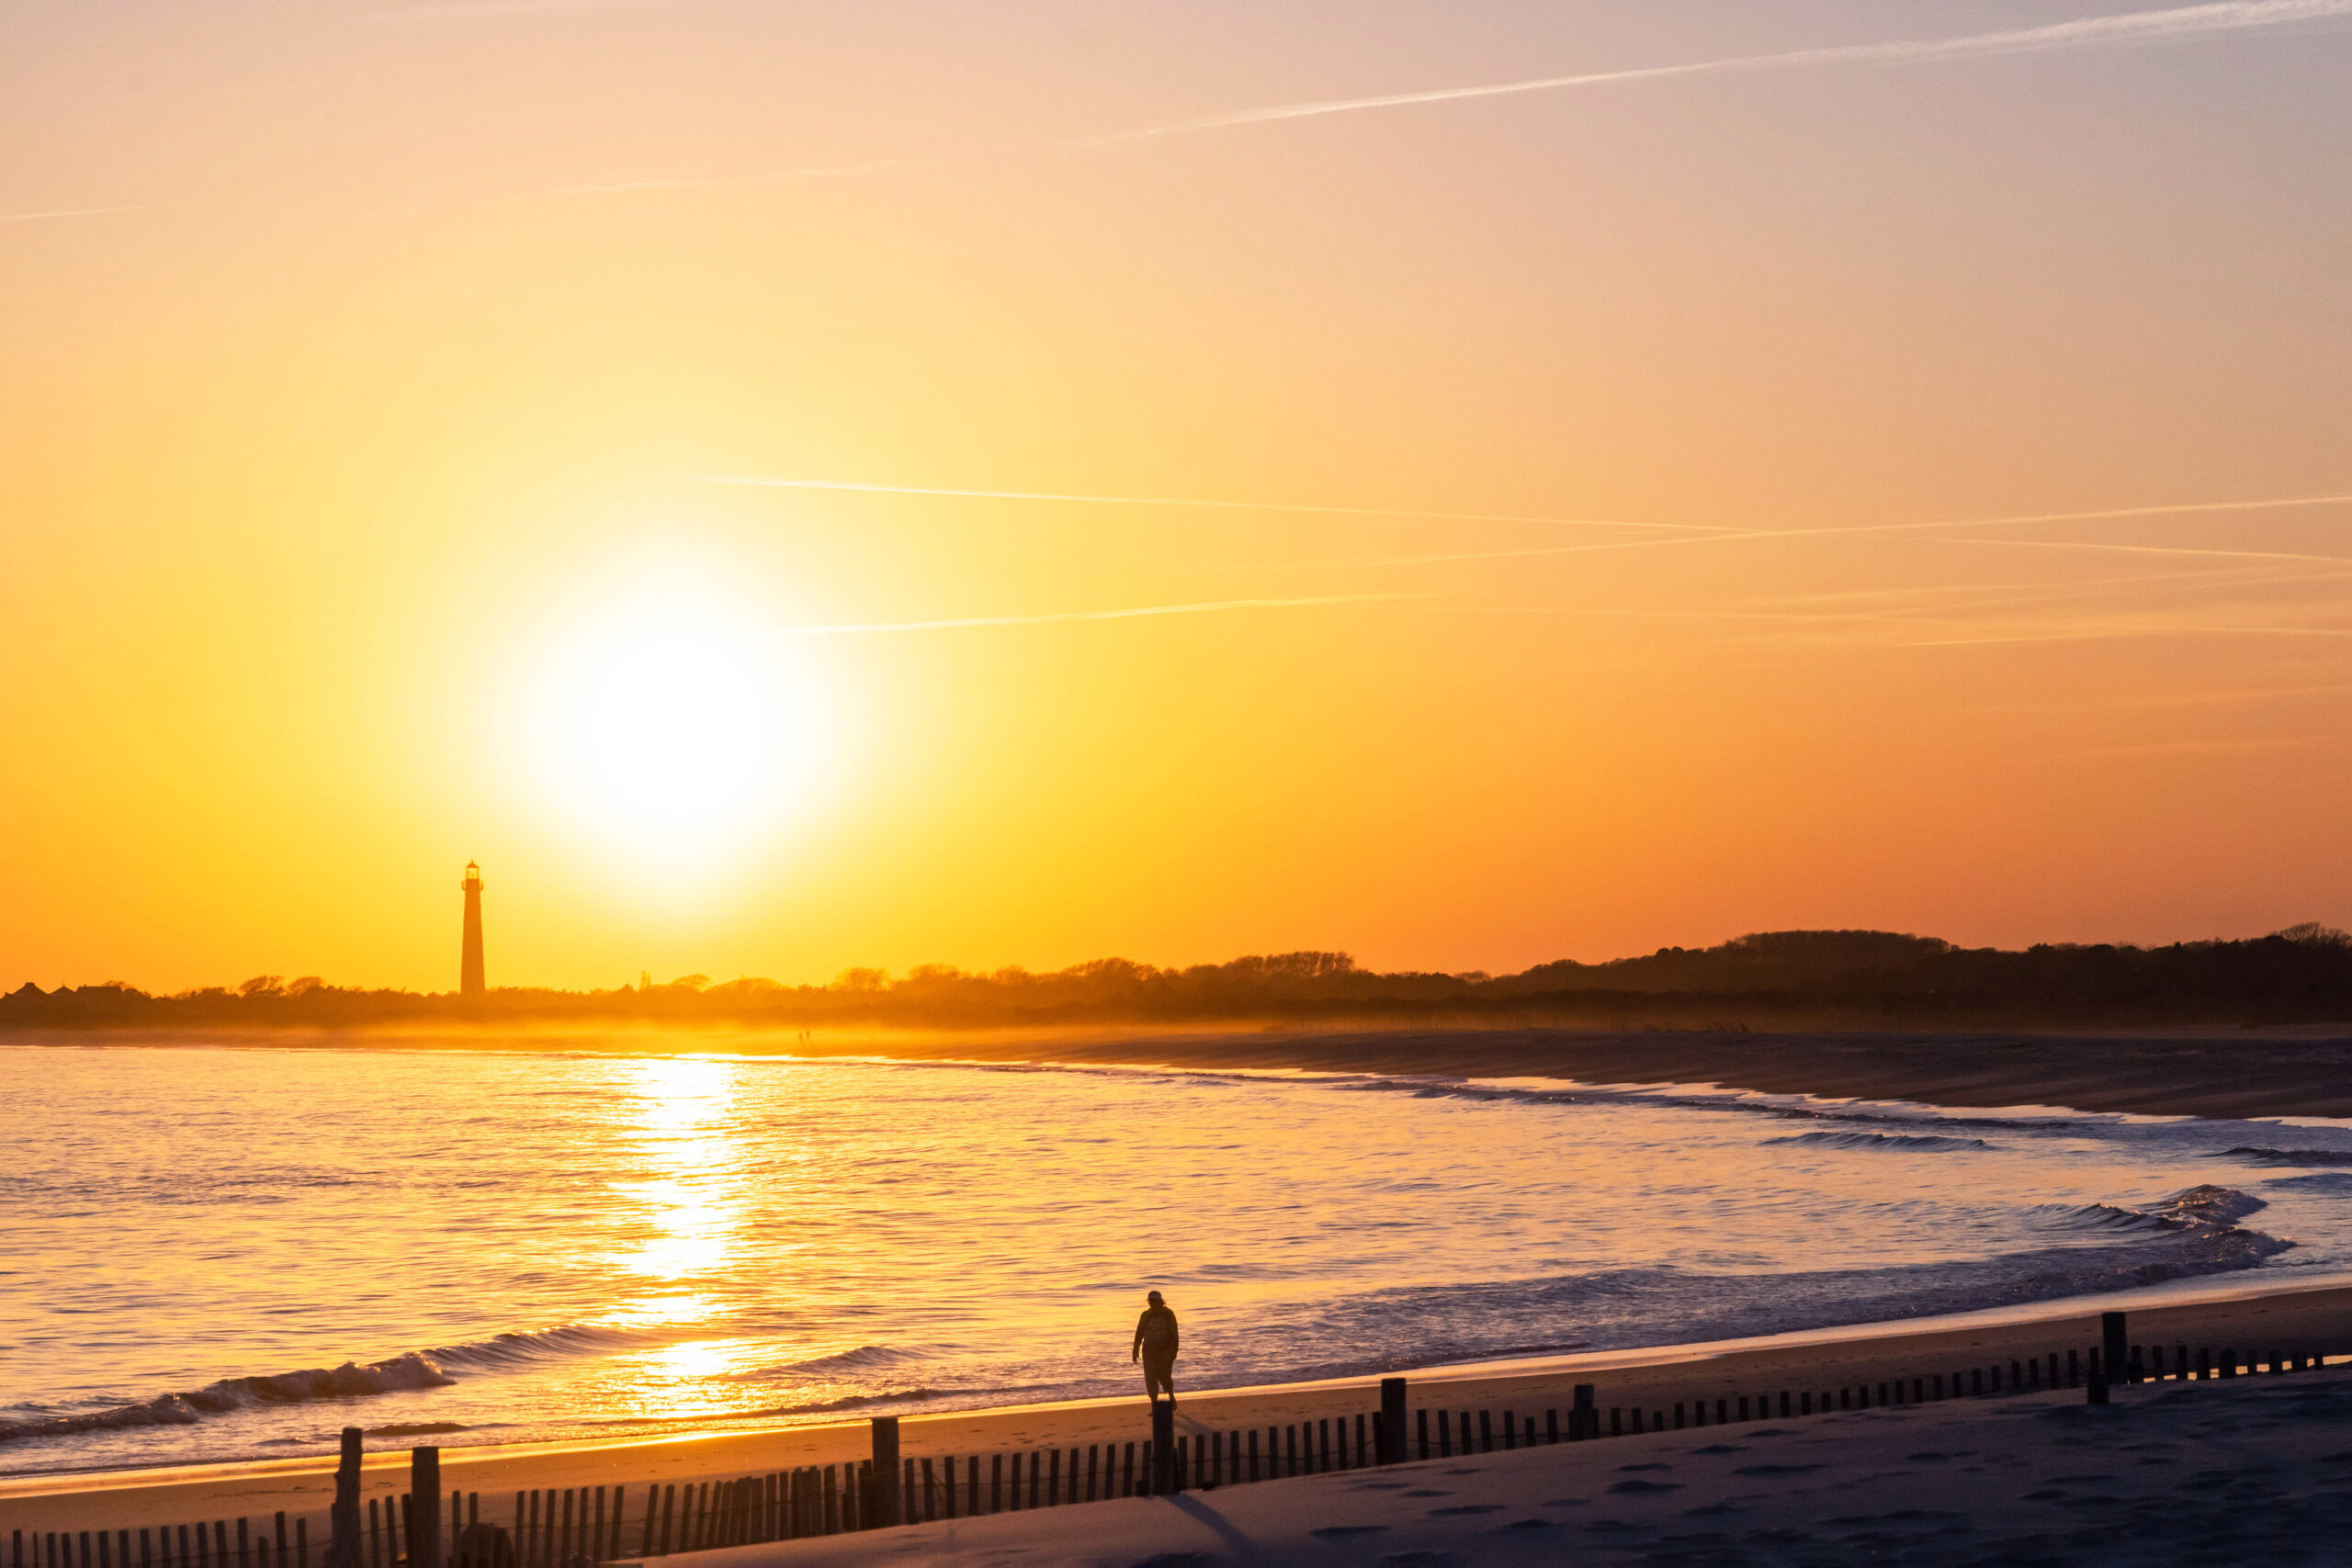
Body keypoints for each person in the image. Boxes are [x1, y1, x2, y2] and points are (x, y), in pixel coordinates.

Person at [1132, 1289, 1179, 1405]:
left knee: (1165, 1376)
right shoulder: (1145, 1315)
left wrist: (1173, 1351)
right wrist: (1135, 1349)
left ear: (1160, 1301)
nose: (1152, 1303)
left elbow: (1174, 1334)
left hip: (1165, 1351)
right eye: (1150, 1301)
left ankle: (1171, 1397)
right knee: (1150, 1378)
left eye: (1154, 1301)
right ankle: (1154, 1404)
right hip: (1148, 1352)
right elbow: (1139, 1333)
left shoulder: (1169, 1314)